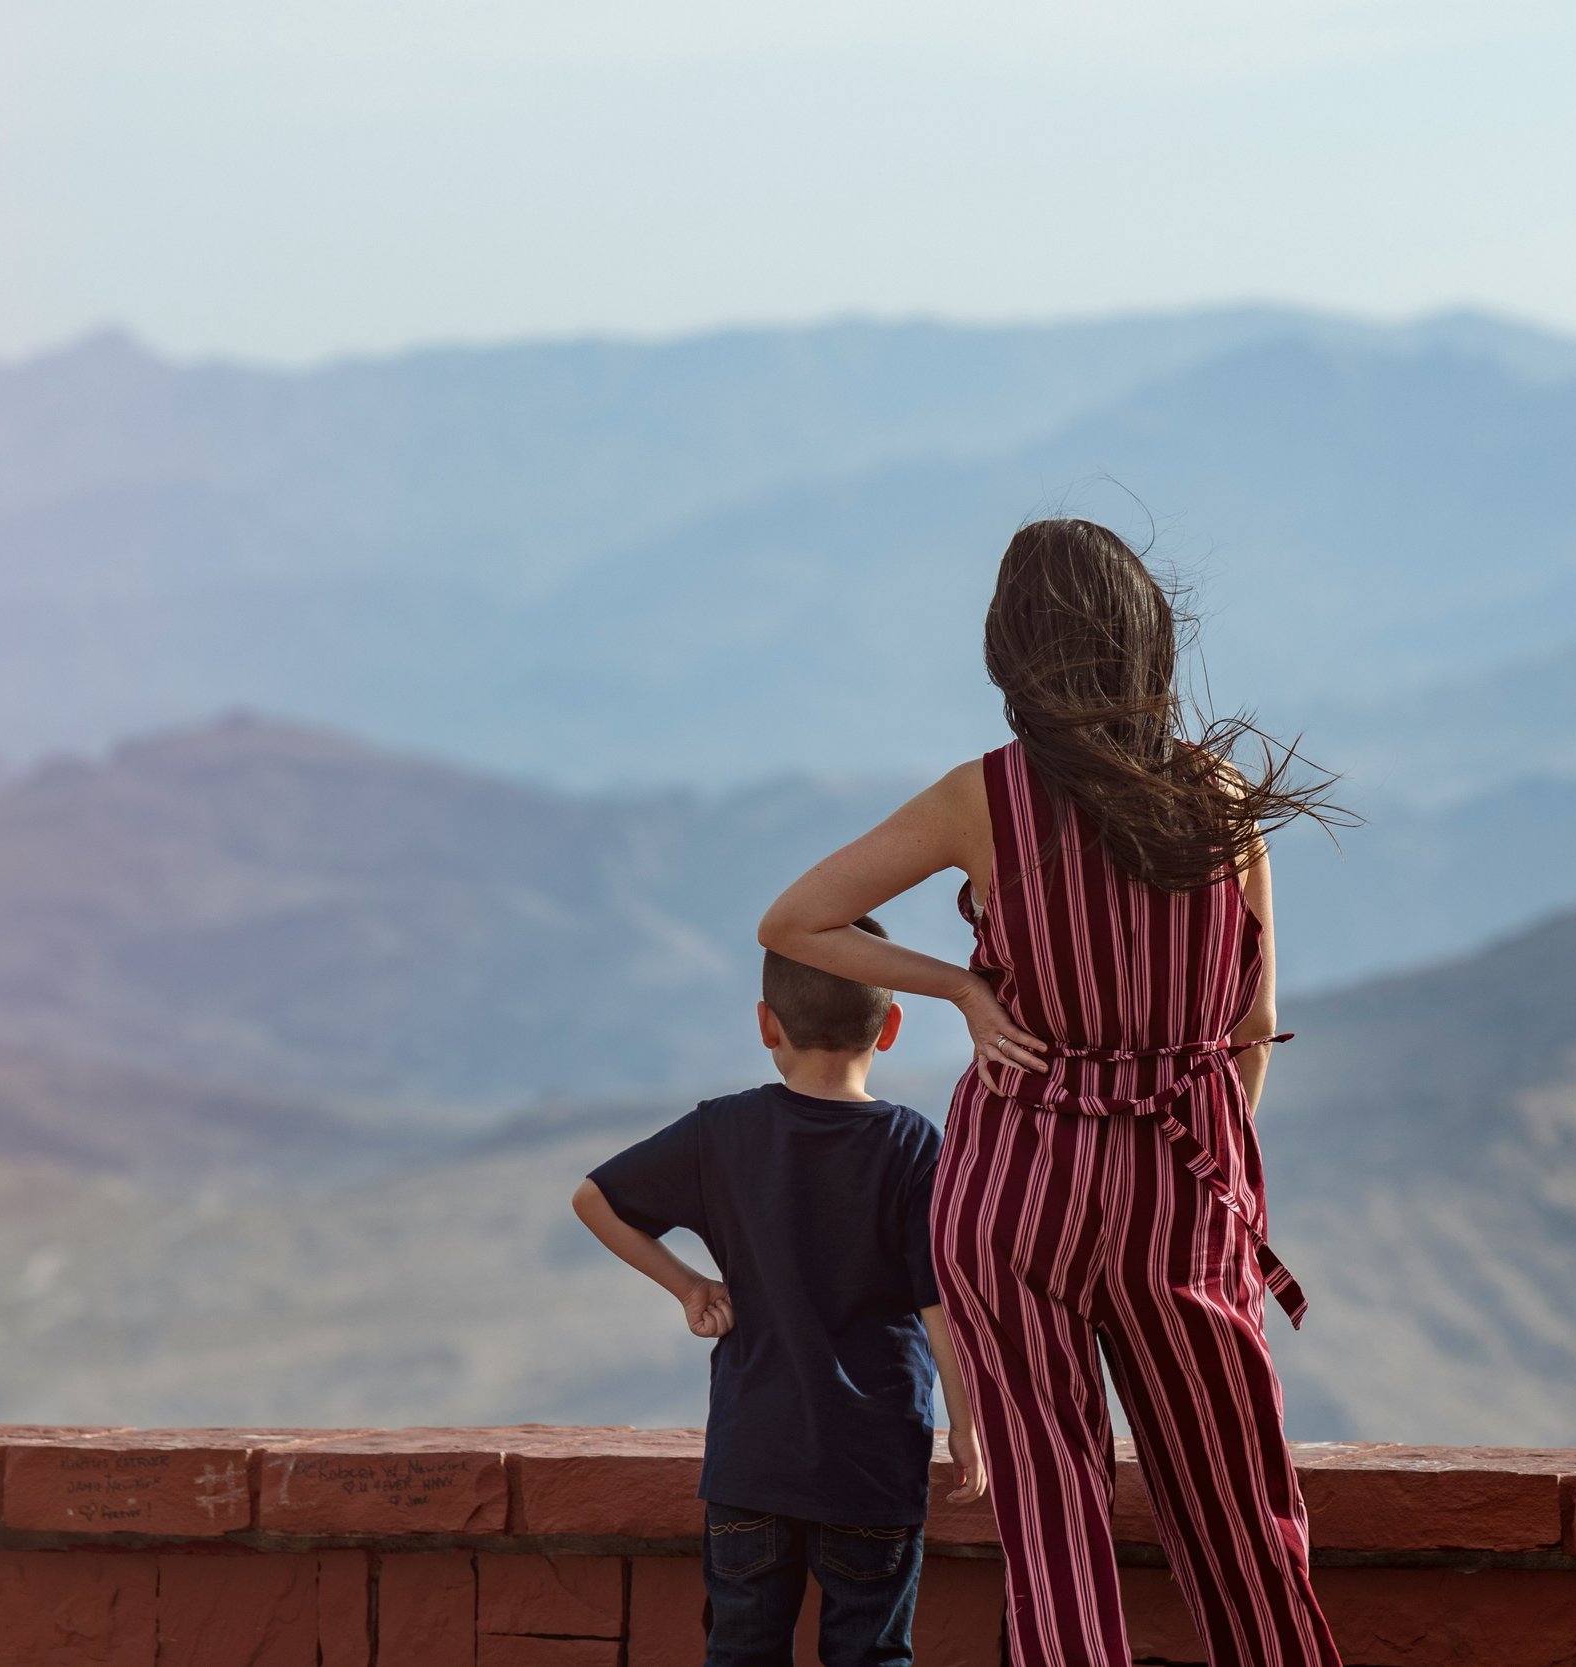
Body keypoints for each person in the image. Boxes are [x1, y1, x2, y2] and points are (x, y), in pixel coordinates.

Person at [758, 518, 1348, 1666]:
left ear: (1008, 653)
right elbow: (1245, 1029)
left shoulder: (979, 799)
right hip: (1176, 1177)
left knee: (1052, 1519)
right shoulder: (1222, 801)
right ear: (1151, 644)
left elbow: (793, 922)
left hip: (1012, 1183)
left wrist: (959, 992)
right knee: (1240, 1513)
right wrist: (1203, 1178)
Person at [570, 915, 985, 1667]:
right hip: (872, 1465)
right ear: (889, 1026)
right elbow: (940, 1305)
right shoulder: (914, 1144)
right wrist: (966, 1423)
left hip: (752, 1461)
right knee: (871, 1655)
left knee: (743, 1652)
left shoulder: (721, 1130)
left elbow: (594, 1198)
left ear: (768, 1024)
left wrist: (691, 1285)